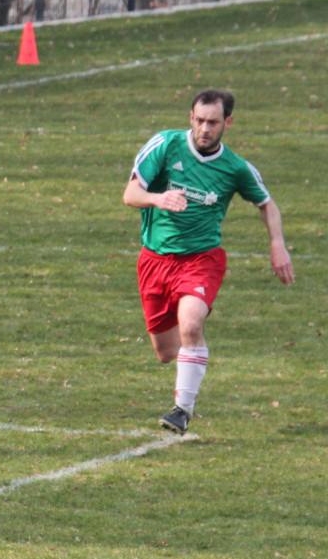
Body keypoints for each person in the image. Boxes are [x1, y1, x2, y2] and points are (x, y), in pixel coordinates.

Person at [123, 88, 295, 435]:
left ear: (227, 123)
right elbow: (130, 194)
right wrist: (158, 199)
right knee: (166, 352)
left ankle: (182, 410)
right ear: (190, 118)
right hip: (155, 260)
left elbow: (267, 204)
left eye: (213, 122)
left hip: (202, 259)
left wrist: (278, 243)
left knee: (190, 324)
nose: (204, 129)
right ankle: (189, 365)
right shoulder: (164, 145)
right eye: (199, 120)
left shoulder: (235, 168)